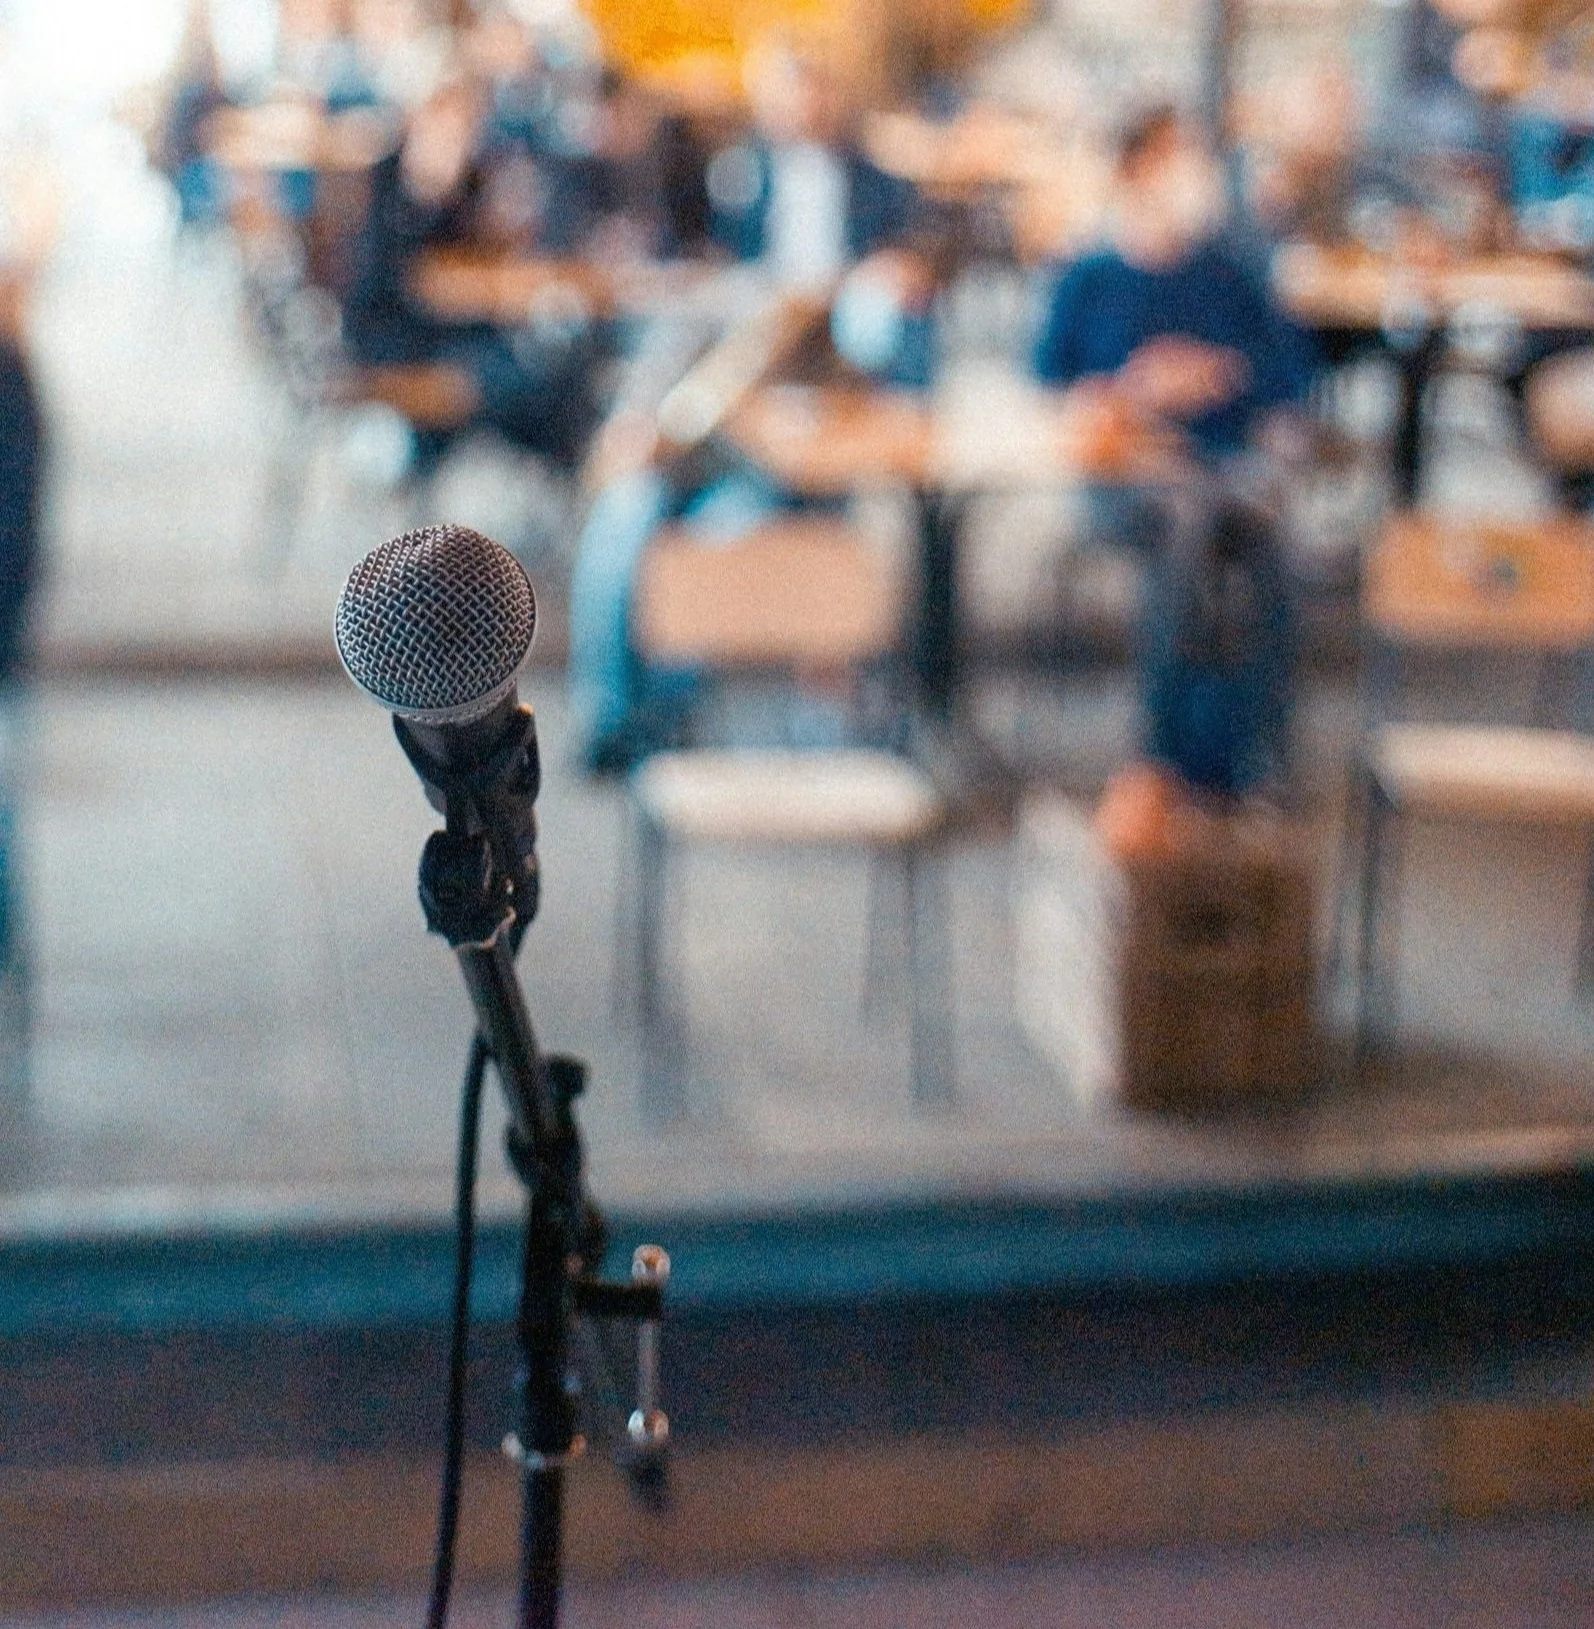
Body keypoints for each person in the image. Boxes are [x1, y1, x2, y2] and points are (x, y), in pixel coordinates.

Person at [1033, 106, 1317, 794]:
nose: (1194, 171)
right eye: (1175, 155)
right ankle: (1168, 757)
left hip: (1221, 471)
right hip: (1126, 484)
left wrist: (1222, 371)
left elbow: (1290, 371)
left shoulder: (1227, 274)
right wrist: (1131, 390)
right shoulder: (1088, 279)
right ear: (1135, 170)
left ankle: (1251, 753)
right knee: (1187, 522)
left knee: (1267, 545)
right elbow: (1049, 382)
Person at [340, 76, 600, 471]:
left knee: (552, 370)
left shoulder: (467, 188)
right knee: (510, 380)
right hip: (396, 346)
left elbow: (495, 253)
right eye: (446, 131)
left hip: (457, 341)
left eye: (462, 135)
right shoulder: (385, 188)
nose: (454, 144)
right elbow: (421, 282)